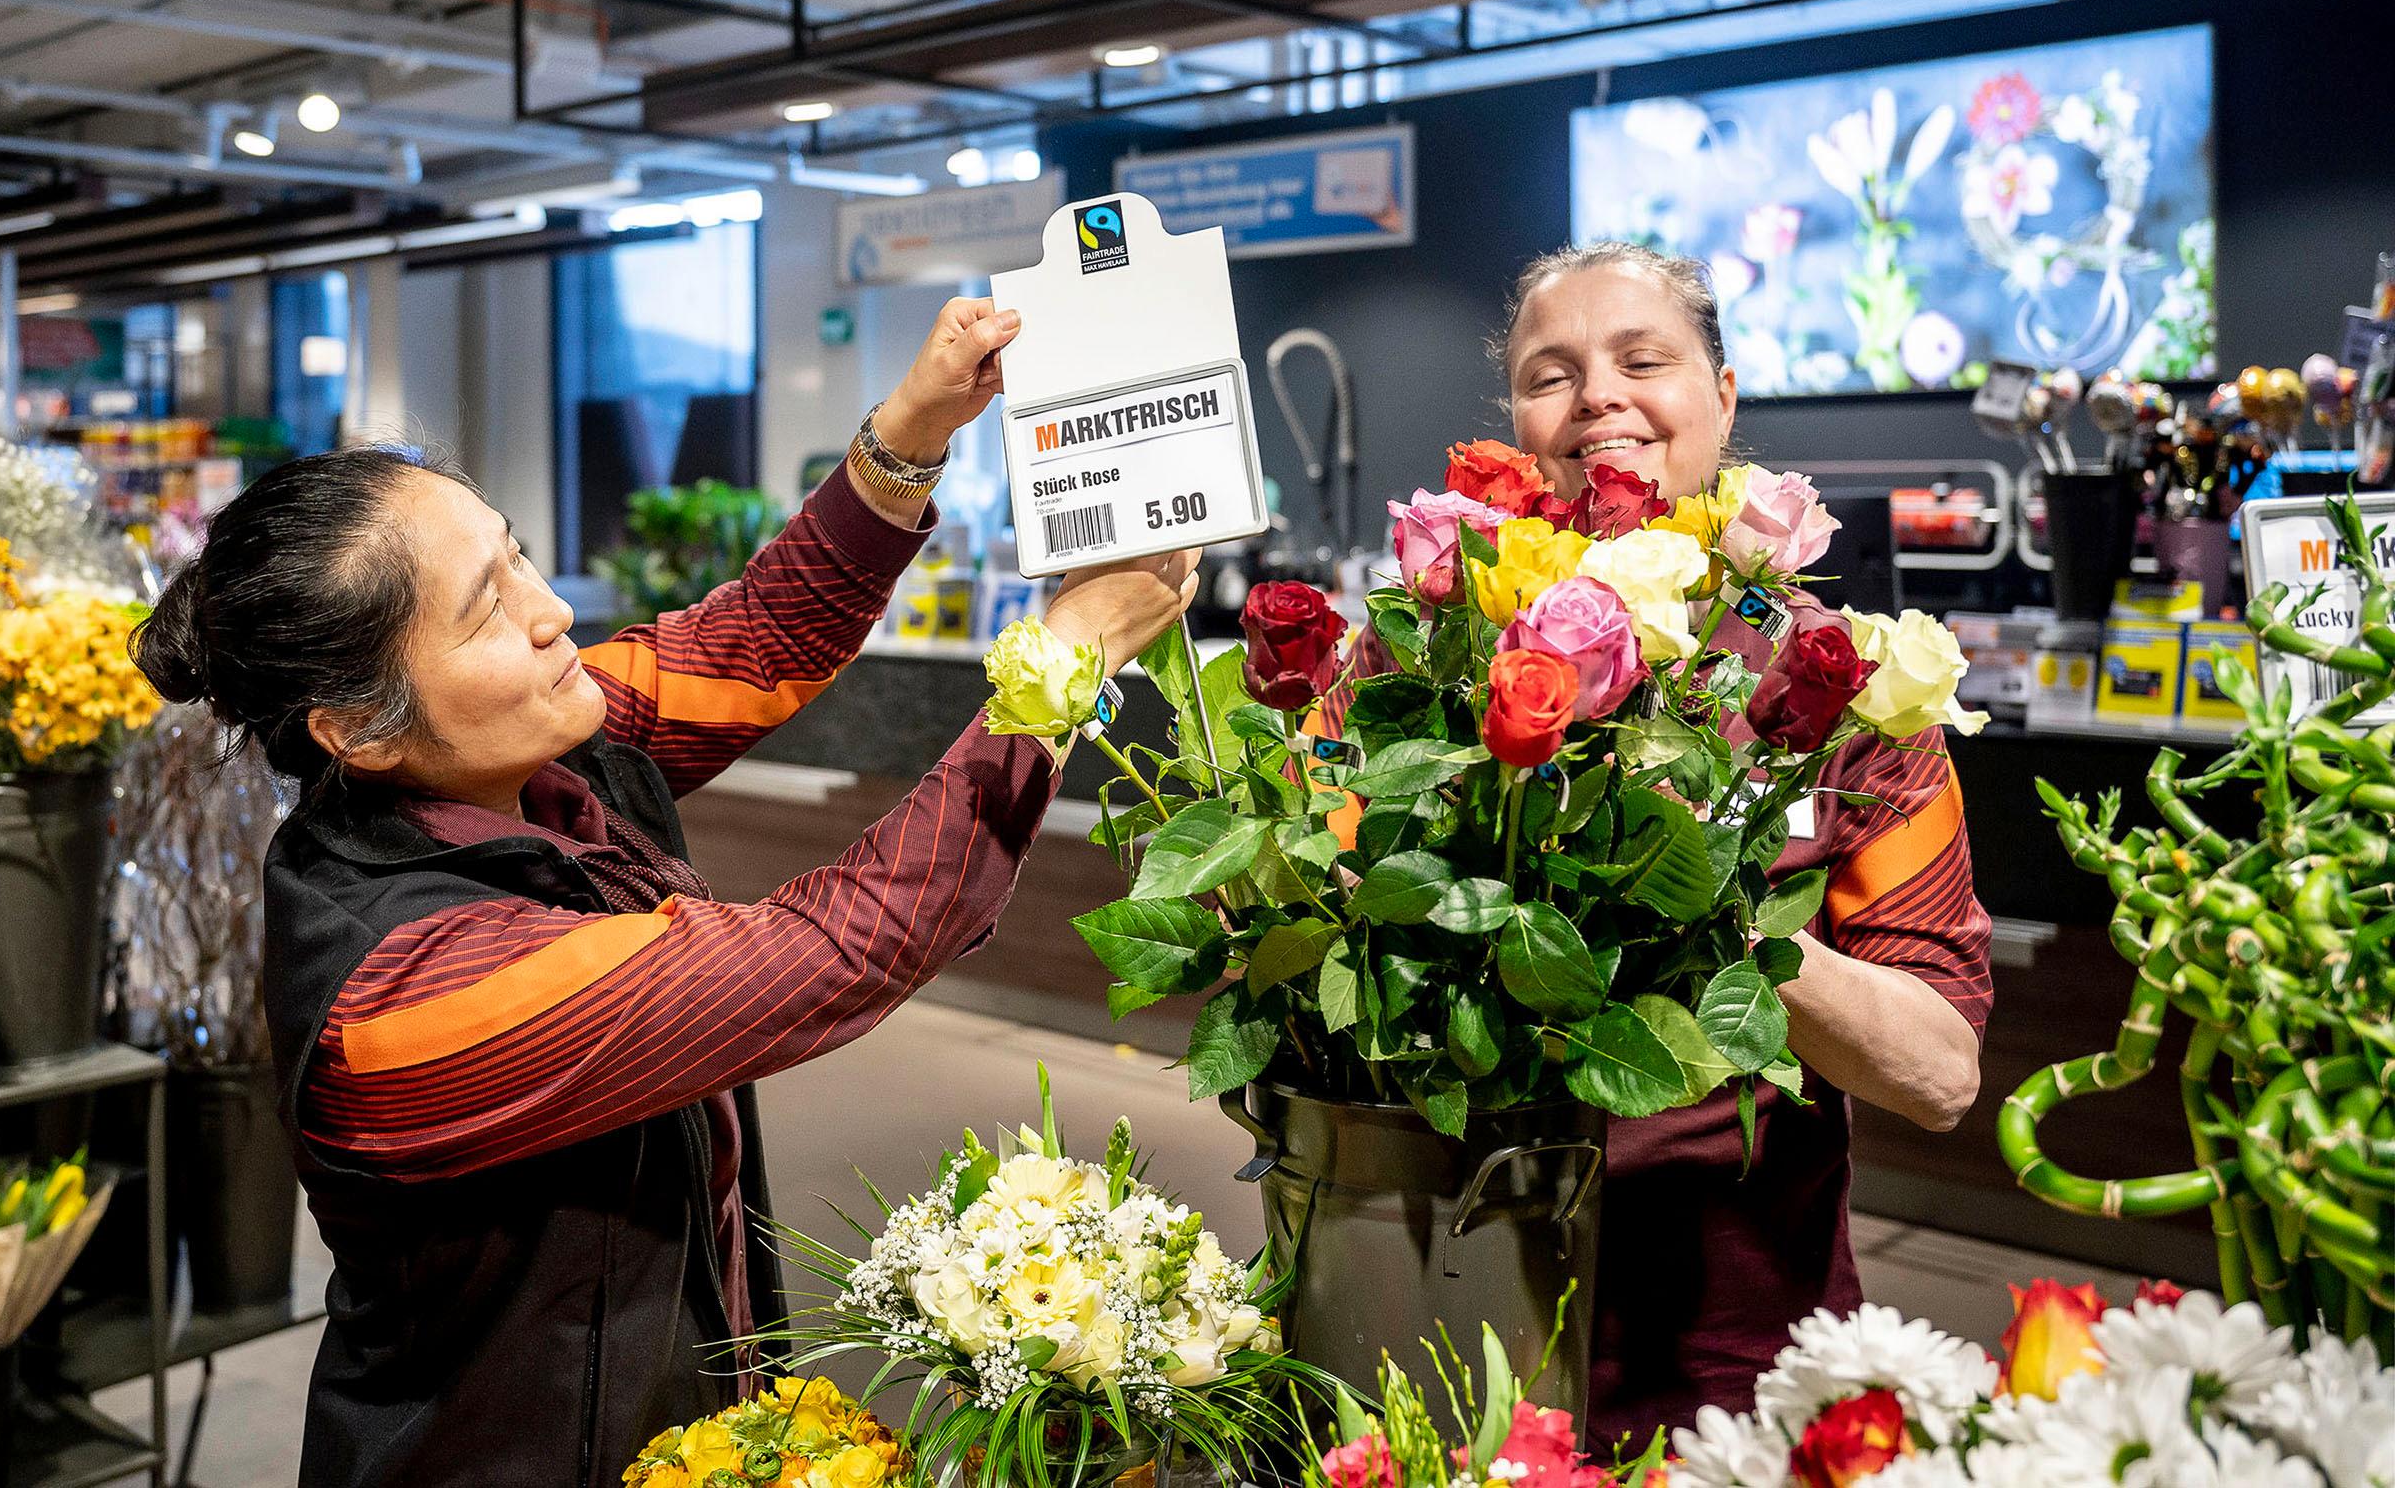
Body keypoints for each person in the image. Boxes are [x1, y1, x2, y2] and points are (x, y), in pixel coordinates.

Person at [129, 299, 1200, 1488]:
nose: (549, 614)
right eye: (488, 606)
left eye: (517, 553)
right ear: (357, 733)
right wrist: (1065, 667)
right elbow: (833, 945)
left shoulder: (537, 760)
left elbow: (751, 643)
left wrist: (913, 426)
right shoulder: (406, 995)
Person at [1342, 241, 1992, 1449]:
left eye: (1643, 359)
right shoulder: (1416, 659)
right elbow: (1293, 864)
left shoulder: (1846, 684)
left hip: (1734, 1370)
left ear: (1724, 397)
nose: (1597, 397)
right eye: (1552, 375)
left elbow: (1941, 1071)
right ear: (1518, 422)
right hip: (1442, 1331)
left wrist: (1722, 921)